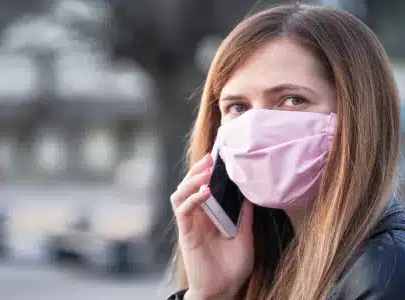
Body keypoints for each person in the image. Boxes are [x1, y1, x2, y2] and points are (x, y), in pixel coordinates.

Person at [167, 3, 405, 300]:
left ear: (358, 114)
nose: (256, 127)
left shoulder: (385, 273)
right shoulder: (271, 257)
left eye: (292, 100)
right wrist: (209, 294)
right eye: (238, 107)